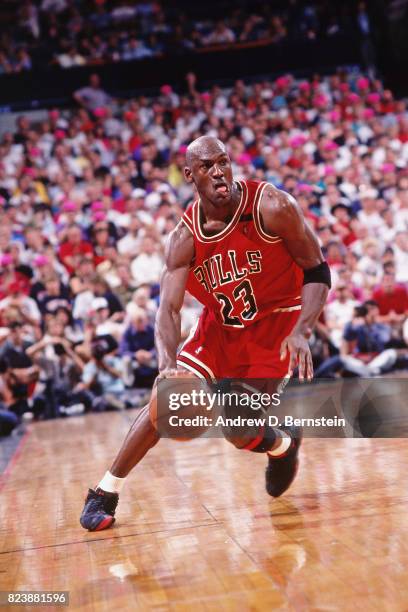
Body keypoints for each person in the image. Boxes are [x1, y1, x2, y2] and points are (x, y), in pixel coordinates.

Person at [80, 136, 330, 531]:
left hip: (276, 324)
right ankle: (105, 490)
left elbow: (317, 269)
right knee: (168, 399)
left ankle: (282, 445)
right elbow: (169, 307)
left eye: (224, 162)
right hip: (220, 325)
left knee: (237, 426)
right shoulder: (184, 237)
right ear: (189, 175)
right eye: (208, 165)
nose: (219, 171)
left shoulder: (272, 206)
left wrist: (302, 330)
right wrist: (167, 364)